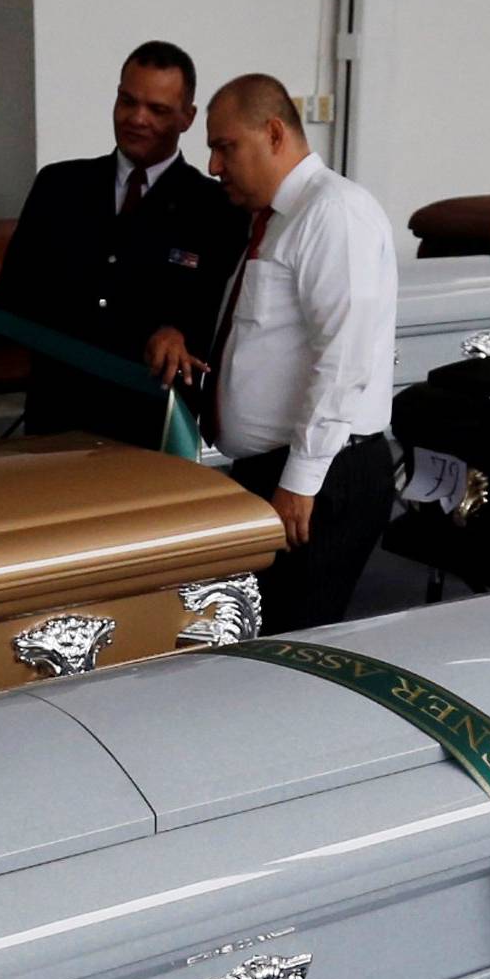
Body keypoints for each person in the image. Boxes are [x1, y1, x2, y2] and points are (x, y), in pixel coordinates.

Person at [149, 73, 397, 631]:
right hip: (277, 471)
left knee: (294, 649)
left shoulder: (334, 213)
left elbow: (345, 358)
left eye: (225, 146)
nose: (214, 165)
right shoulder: (276, 221)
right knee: (258, 640)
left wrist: (299, 482)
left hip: (321, 475)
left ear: (275, 133)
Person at [0, 40, 245, 447]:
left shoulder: (217, 209)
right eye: (127, 101)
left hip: (151, 431)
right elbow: (14, 298)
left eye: (158, 109)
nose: (137, 118)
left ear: (188, 118)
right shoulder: (58, 187)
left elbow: (224, 319)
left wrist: (181, 333)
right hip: (57, 422)